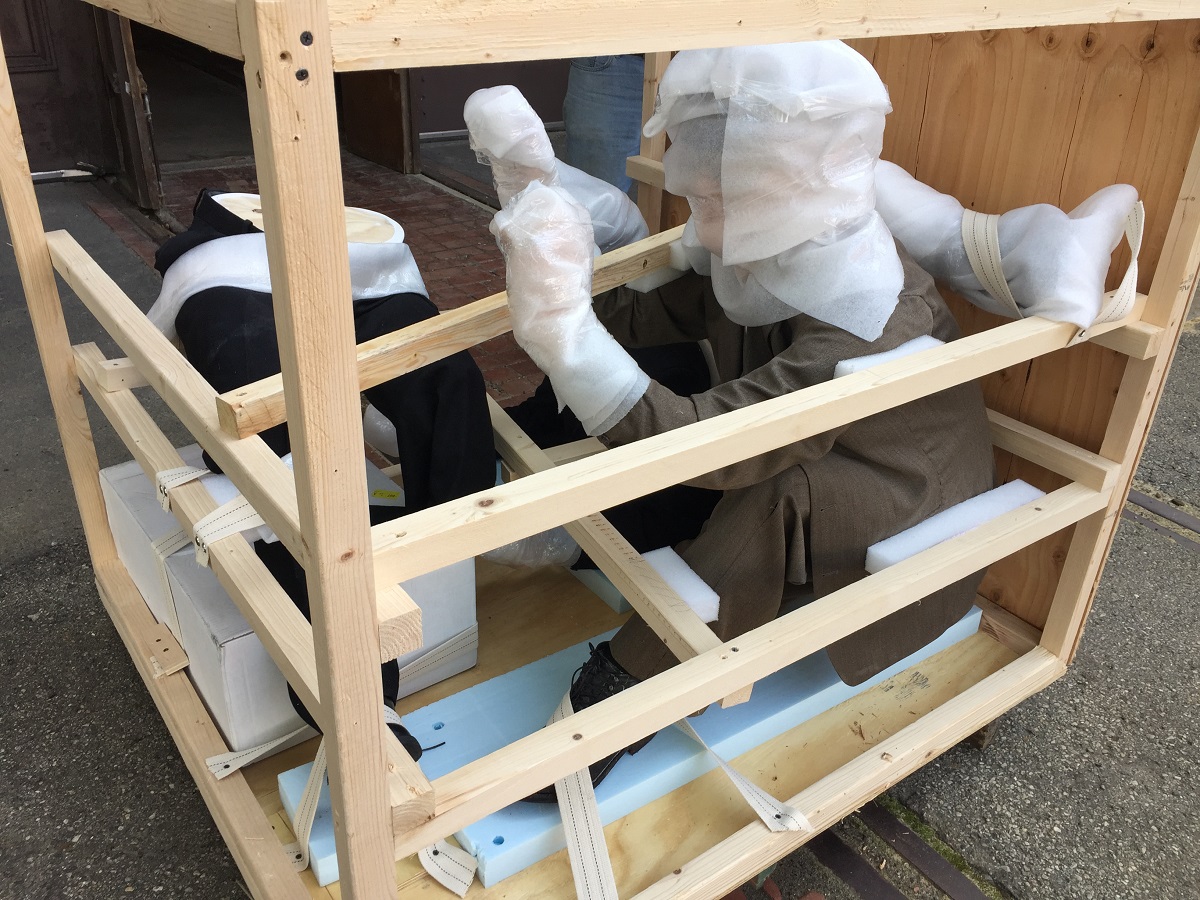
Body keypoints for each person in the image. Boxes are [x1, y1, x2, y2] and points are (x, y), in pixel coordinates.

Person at [480, 41, 997, 799]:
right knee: (674, 379)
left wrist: (565, 327)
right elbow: (644, 320)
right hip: (823, 448)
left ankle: (615, 701)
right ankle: (573, 536)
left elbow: (712, 449)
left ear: (791, 188)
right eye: (703, 202)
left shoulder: (866, 313)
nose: (708, 230)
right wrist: (550, 232)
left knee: (776, 494)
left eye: (723, 204)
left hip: (908, 490)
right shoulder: (779, 250)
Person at [148, 190, 497, 760]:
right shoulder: (215, 277)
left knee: (439, 362)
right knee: (285, 467)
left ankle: (462, 530)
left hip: (348, 269)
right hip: (240, 299)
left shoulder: (348, 235)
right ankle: (361, 710)